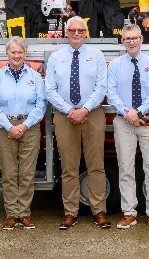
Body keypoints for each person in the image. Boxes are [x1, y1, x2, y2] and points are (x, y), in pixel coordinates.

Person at [102, 24, 149, 229]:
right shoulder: (115, 65)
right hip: (123, 122)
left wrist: (138, 112)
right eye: (127, 39)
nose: (131, 41)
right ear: (122, 42)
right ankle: (129, 212)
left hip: (148, 120)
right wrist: (127, 113)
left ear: (142, 39)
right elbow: (111, 92)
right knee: (125, 167)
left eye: (135, 38)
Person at [44, 16, 111, 229]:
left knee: (96, 166)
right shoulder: (56, 57)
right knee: (69, 167)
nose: (75, 34)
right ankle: (70, 212)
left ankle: (99, 210)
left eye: (80, 31)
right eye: (72, 30)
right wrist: (69, 111)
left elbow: (101, 87)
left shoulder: (97, 56)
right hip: (65, 117)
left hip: (92, 114)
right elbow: (50, 89)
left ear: (86, 32)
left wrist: (84, 109)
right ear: (66, 32)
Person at [0, 37, 48, 230]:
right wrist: (9, 127)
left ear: (25, 54)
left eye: (20, 52)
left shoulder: (34, 77)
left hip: (29, 127)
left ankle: (25, 213)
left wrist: (24, 125)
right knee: (9, 172)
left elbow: (41, 104)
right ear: (7, 54)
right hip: (5, 127)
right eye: (13, 52)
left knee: (27, 173)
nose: (16, 55)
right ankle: (12, 214)